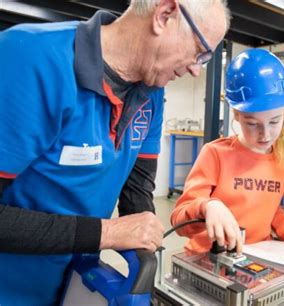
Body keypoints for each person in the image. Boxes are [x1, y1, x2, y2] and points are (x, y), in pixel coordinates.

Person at [0, 0, 230, 305]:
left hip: (76, 285)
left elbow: (137, 195)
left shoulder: (152, 94)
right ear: (164, 15)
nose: (196, 70)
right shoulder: (29, 58)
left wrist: (193, 214)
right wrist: (106, 233)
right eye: (200, 52)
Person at [171, 49, 284, 253]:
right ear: (236, 114)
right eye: (252, 123)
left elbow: (269, 209)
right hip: (207, 260)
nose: (265, 134)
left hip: (254, 260)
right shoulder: (215, 154)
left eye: (274, 121)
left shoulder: (283, 160)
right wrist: (208, 206)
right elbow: (178, 219)